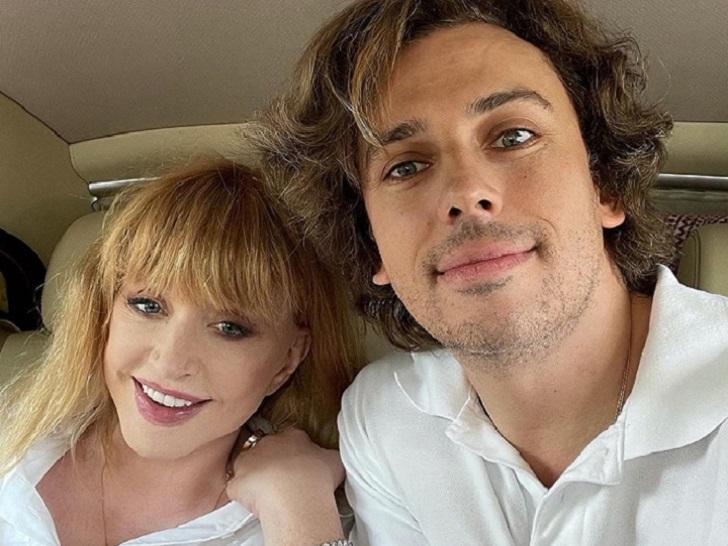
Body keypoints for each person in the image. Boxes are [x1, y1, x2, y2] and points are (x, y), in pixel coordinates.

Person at [252, 0, 728, 543]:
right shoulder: (384, 418)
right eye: (406, 166)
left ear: (606, 186)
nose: (465, 193)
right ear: (373, 244)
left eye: (513, 137)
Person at [0, 162, 361, 545]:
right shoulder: (19, 442)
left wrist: (297, 511)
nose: (171, 362)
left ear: (288, 359)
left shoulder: (309, 518)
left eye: (230, 328)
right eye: (148, 306)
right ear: (105, 313)